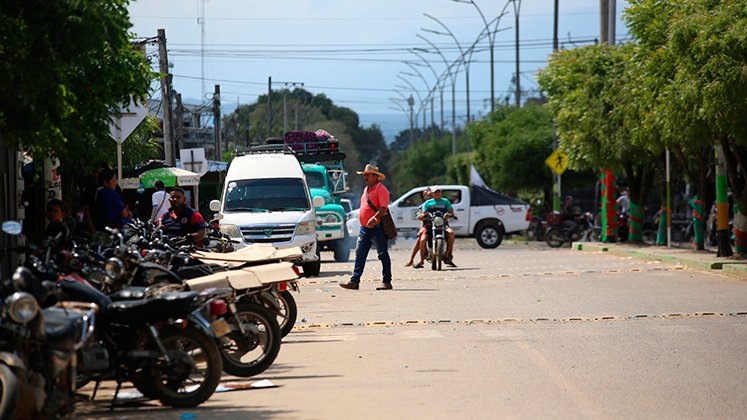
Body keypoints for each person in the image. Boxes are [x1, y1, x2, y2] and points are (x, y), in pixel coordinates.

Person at [340, 164, 393, 291]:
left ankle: (387, 281)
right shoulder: (366, 189)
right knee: (360, 254)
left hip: (377, 228)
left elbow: (383, 208)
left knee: (382, 254)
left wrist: (374, 218)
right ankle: (355, 281)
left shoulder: (381, 189)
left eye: (368, 175)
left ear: (375, 177)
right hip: (365, 229)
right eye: (365, 175)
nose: (365, 177)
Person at [415, 186, 457, 268]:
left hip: (443, 224)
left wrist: (450, 215)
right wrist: (423, 216)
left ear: (441, 193)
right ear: (432, 193)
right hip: (430, 225)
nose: (437, 193)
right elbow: (423, 213)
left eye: (439, 192)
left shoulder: (445, 201)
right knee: (422, 240)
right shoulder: (428, 203)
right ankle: (421, 260)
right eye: (435, 192)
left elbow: (451, 211)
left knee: (451, 234)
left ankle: (448, 255)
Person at [405, 188, 432, 267]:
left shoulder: (437, 203)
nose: (428, 197)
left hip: (437, 225)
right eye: (426, 195)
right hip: (427, 226)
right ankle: (413, 260)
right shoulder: (423, 206)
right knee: (419, 240)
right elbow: (421, 219)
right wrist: (420, 229)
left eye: (430, 195)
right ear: (424, 197)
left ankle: (448, 257)